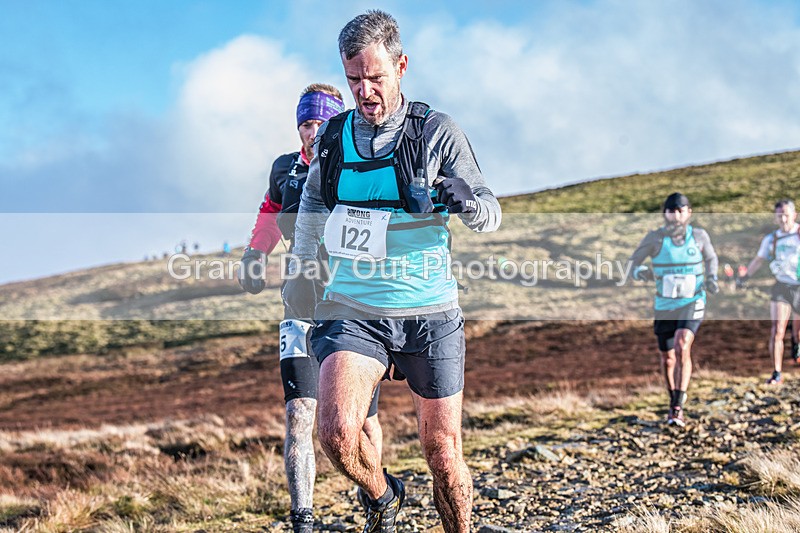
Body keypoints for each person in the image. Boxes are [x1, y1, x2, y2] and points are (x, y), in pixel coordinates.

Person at [285, 10, 501, 533]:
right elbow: (313, 208)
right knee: (336, 432)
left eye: (375, 77)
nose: (365, 91)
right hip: (353, 308)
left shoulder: (436, 131)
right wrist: (300, 270)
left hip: (429, 310)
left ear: (401, 66)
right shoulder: (334, 139)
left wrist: (467, 201)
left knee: (443, 452)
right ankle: (384, 494)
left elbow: (491, 214)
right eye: (353, 79)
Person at [238, 84, 383, 533]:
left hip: (351, 314)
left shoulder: (355, 165)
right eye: (305, 123)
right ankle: (303, 519)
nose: (312, 131)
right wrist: (254, 255)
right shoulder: (284, 168)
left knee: (360, 421)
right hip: (299, 309)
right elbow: (270, 209)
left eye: (320, 123)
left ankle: (376, 502)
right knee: (299, 412)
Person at [628, 193, 719, 427]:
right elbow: (633, 263)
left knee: (682, 344)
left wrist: (712, 278)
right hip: (665, 305)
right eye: (672, 210)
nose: (676, 215)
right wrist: (641, 273)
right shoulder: (655, 239)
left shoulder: (699, 236)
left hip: (693, 300)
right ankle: (673, 400)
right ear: (665, 213)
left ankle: (678, 406)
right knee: (668, 358)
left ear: (689, 212)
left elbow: (711, 258)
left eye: (681, 210)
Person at [738, 199, 800, 385]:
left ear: (794, 215)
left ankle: (796, 344)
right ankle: (777, 373)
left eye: (786, 214)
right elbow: (758, 260)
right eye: (779, 215)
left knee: (798, 330)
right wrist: (745, 276)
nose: (783, 219)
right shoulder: (771, 239)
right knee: (777, 330)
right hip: (781, 286)